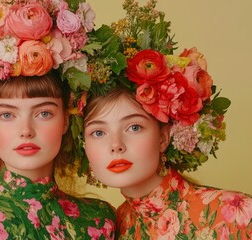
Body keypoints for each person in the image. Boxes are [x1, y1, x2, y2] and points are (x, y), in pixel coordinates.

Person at [0, 0, 117, 239]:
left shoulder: (98, 220)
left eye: (44, 113)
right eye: (7, 115)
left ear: (66, 121)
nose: (26, 130)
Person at [81, 0, 252, 238]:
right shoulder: (112, 227)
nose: (116, 144)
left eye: (134, 127)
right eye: (98, 132)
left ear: (163, 137)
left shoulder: (234, 214)